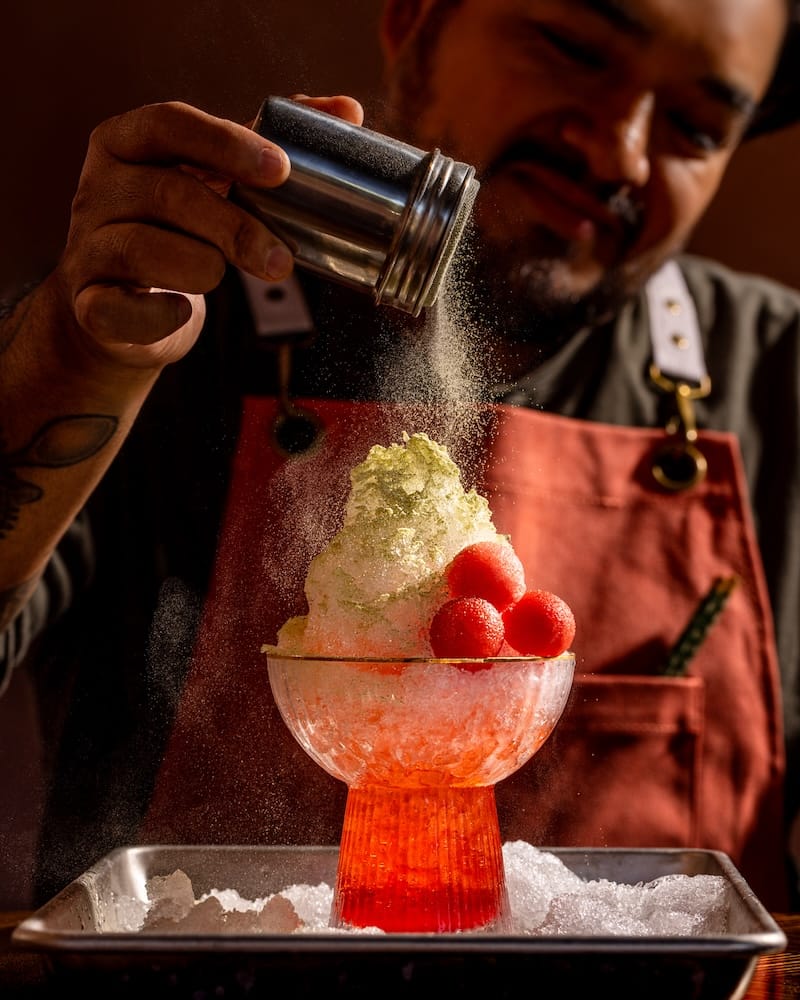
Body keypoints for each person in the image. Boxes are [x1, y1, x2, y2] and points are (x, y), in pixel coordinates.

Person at [1, 0, 799, 913]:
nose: (617, 151)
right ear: (414, 17)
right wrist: (65, 365)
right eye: (572, 48)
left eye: (696, 126)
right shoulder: (159, 328)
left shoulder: (778, 376)